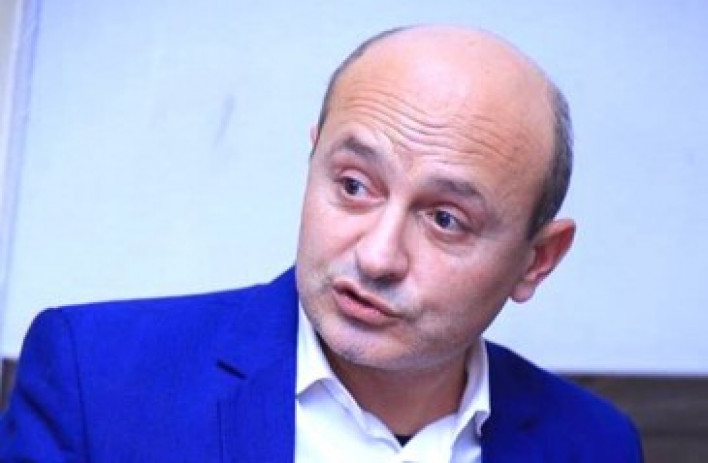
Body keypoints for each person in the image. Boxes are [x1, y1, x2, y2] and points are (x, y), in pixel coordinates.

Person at [0, 25, 642, 462]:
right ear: (313, 161)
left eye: (445, 220)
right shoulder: (97, 379)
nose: (377, 257)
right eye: (355, 185)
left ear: (537, 261)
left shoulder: (593, 442)